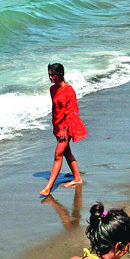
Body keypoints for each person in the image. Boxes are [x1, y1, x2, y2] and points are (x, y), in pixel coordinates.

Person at [40, 63, 87, 196]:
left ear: (60, 75)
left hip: (66, 127)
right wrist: (55, 125)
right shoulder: (52, 89)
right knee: (66, 152)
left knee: (58, 155)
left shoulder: (69, 90)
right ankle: (77, 178)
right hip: (57, 126)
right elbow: (55, 109)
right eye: (49, 75)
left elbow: (72, 111)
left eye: (52, 75)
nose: (50, 77)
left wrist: (65, 129)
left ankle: (48, 187)